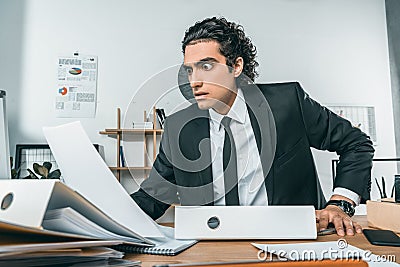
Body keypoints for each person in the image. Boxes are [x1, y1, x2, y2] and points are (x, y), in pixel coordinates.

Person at [131, 17, 374, 236]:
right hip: (213, 245)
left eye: (206, 66)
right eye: (189, 70)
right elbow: (153, 197)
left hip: (293, 240)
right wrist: (100, 219)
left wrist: (340, 203)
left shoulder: (287, 103)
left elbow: (356, 143)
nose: (194, 81)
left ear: (236, 67)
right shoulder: (178, 128)